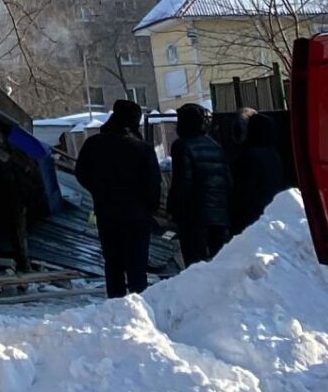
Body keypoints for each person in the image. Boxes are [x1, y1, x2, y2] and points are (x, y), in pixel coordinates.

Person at [73, 99, 162, 297]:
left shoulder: (94, 144)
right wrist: (150, 208)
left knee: (113, 262)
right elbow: (154, 183)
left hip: (107, 212)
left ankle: (115, 304)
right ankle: (138, 304)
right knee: (137, 263)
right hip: (137, 215)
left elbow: (81, 173)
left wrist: (99, 191)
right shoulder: (142, 148)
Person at [168, 102, 236, 265]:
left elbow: (182, 182)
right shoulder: (215, 145)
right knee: (217, 262)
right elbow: (227, 180)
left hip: (194, 215)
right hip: (219, 214)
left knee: (194, 264)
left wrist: (173, 209)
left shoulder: (182, 146)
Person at [0, 128, 38, 274]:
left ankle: (23, 262)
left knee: (17, 230)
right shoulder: (23, 146)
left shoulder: (14, 154)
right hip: (12, 193)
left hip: (12, 193)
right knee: (17, 230)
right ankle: (23, 262)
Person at [227, 107, 291, 234]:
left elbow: (243, 191)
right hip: (268, 211)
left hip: (249, 216)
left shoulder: (249, 157)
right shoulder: (274, 154)